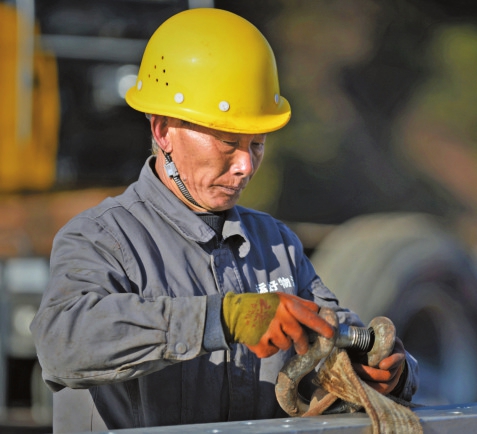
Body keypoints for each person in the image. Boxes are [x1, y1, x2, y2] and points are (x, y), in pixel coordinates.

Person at [30, 7, 418, 433]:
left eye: (256, 144)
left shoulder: (276, 245)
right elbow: (63, 344)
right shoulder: (102, 238)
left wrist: (388, 373)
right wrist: (227, 318)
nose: (245, 167)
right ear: (163, 131)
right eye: (229, 143)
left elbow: (337, 337)